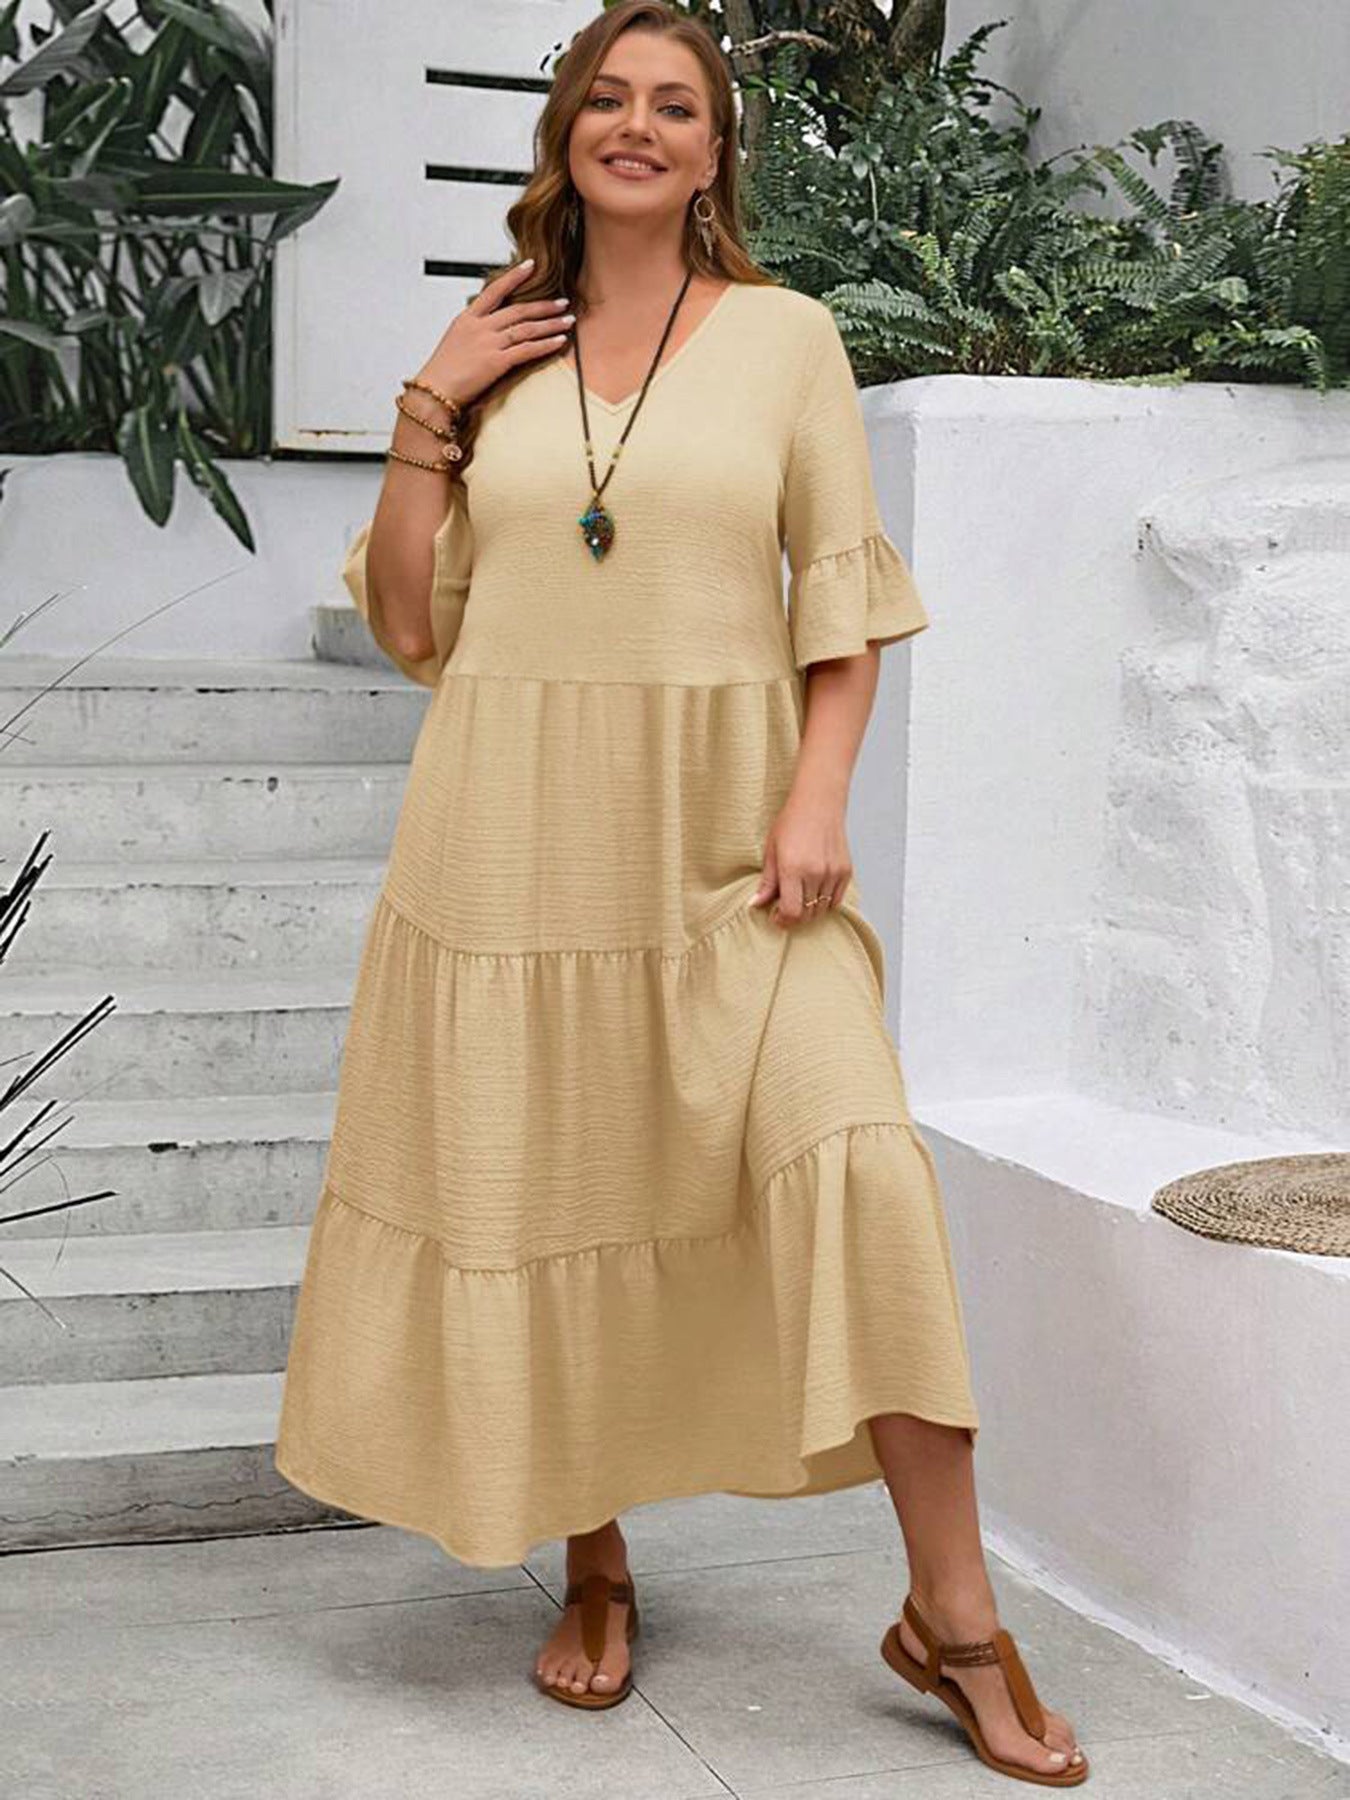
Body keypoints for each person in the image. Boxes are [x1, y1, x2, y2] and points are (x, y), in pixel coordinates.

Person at [275, 1, 1086, 1783]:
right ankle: (595, 1559)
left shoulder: (788, 339)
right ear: (566, 130)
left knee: (860, 1164)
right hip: (512, 850)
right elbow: (409, 622)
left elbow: (840, 603)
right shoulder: (497, 347)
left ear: (717, 151)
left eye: (675, 105)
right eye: (609, 98)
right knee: (558, 1187)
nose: (636, 125)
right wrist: (427, 407)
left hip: (732, 852)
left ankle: (952, 1615)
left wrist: (816, 799)